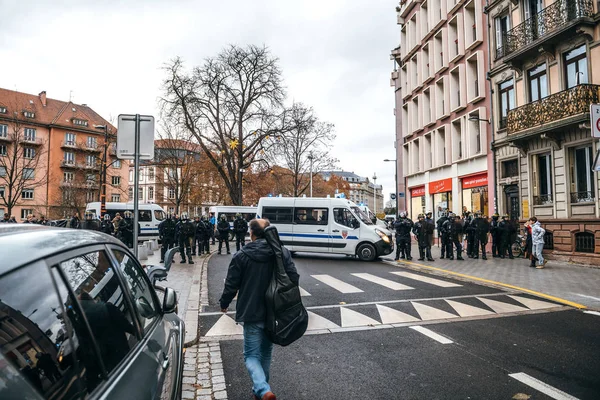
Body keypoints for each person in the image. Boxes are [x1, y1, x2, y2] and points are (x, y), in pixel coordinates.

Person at [219, 219, 299, 400]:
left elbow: (232, 284)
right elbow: (294, 277)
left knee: (250, 355)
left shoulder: (242, 255)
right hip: (275, 312)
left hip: (252, 311)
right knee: (265, 353)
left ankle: (262, 389)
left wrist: (224, 302)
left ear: (252, 233)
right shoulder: (281, 252)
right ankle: (261, 391)